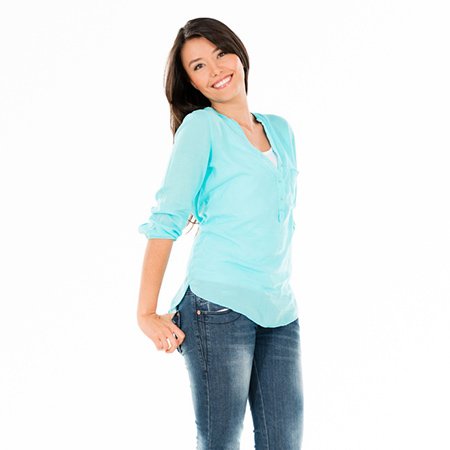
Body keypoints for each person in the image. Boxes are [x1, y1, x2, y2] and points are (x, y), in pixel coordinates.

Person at [137, 17, 303, 449]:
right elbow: (167, 218)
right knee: (220, 441)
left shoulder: (280, 130)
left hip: (279, 308)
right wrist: (146, 311)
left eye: (220, 54)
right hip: (218, 304)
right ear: (192, 83)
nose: (215, 70)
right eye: (198, 67)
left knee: (285, 440)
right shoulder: (202, 128)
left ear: (238, 54)